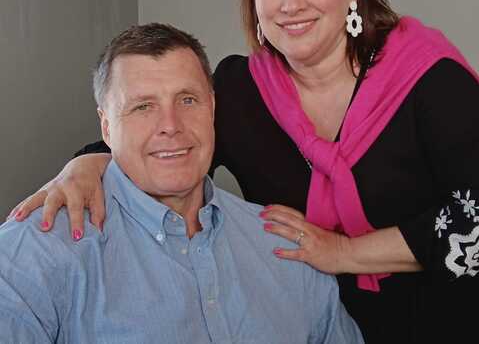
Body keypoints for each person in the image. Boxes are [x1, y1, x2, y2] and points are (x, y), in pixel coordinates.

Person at [10, 0, 479, 344]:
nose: (291, 3)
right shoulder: (242, 89)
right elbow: (167, 137)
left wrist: (342, 253)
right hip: (319, 317)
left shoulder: (428, 77)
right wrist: (84, 167)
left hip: (447, 319)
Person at [0, 23, 363, 343]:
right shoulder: (34, 253)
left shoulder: (286, 246)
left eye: (188, 100)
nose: (171, 125)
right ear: (106, 127)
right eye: (143, 106)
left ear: (213, 108)